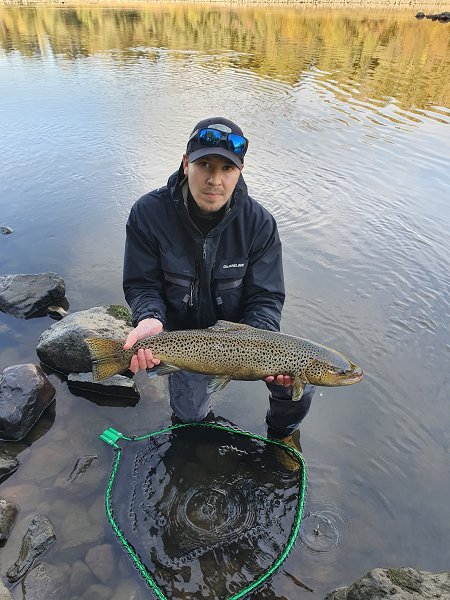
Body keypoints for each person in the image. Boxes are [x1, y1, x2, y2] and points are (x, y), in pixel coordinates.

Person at [122, 116, 314, 442]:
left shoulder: (259, 224)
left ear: (240, 172)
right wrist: (149, 318)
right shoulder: (148, 213)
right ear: (186, 164)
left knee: (300, 381)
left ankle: (281, 436)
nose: (215, 180)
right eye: (205, 165)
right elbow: (143, 284)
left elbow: (266, 297)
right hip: (183, 338)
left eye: (227, 169)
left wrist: (259, 341)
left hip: (245, 337)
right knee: (190, 418)